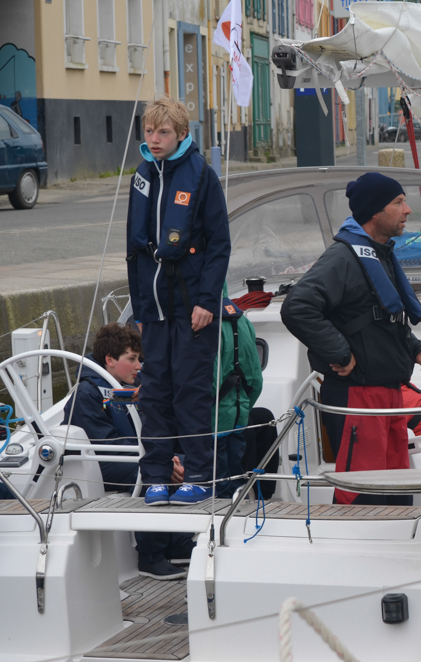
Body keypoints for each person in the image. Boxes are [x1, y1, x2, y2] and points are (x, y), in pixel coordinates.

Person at [281, 172, 421, 506]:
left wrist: (415, 347)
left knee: (396, 494)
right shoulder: (343, 258)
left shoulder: (378, 253)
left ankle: (395, 540)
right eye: (398, 202)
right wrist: (339, 352)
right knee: (362, 494)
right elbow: (297, 307)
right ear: (374, 212)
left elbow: (381, 316)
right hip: (358, 398)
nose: (408, 210)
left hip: (387, 395)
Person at [126, 96, 231, 506]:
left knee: (191, 388)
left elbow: (219, 245)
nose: (154, 139)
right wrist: (139, 308)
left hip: (192, 305)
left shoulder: (201, 176)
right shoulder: (142, 175)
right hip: (153, 305)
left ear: (182, 133)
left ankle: (200, 474)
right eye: (149, 131)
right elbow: (134, 250)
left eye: (164, 132)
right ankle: (155, 475)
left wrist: (207, 301)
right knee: (154, 391)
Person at [62, 323, 194, 580]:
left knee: (189, 465)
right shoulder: (87, 393)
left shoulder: (130, 388)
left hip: (131, 454)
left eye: (139, 359)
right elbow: (105, 444)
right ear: (110, 360)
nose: (139, 366)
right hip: (98, 462)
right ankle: (150, 556)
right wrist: (158, 459)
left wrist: (165, 455)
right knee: (153, 473)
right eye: (132, 359)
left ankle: (178, 543)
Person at [212, 296, 264, 496]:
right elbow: (256, 380)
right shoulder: (244, 321)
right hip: (238, 419)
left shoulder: (204, 321)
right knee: (236, 480)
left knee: (216, 487)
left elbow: (210, 383)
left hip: (211, 424)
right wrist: (242, 410)